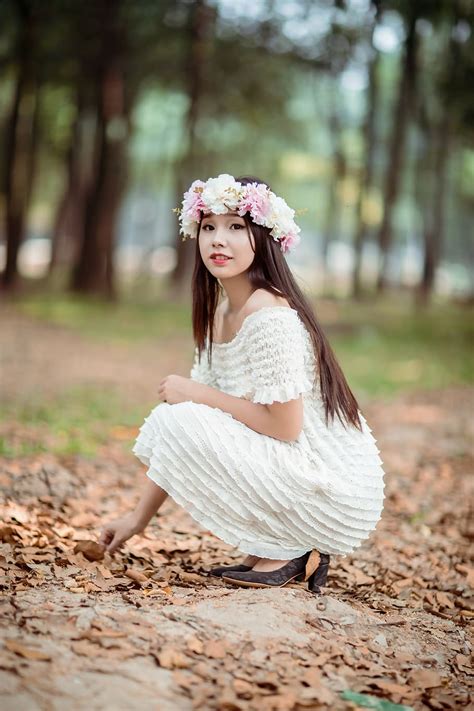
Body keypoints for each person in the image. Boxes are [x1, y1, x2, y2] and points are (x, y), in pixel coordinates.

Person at [99, 173, 386, 594]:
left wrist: (195, 393)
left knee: (177, 416)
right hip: (296, 471)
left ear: (265, 237)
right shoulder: (221, 315)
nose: (219, 240)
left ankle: (293, 547)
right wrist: (136, 520)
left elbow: (284, 426)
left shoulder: (270, 315)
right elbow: (188, 424)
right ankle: (278, 544)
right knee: (174, 418)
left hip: (332, 487)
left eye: (236, 227)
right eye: (209, 227)